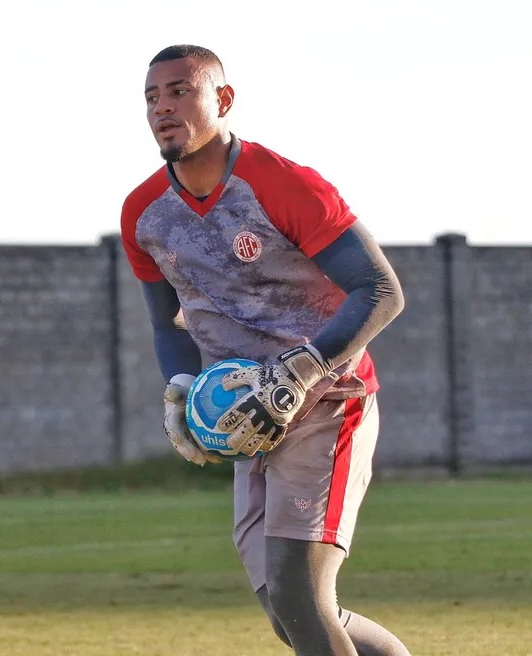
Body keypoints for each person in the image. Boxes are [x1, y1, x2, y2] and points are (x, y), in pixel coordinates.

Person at [120, 44, 411, 656]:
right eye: (151, 97)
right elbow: (166, 323)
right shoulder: (143, 212)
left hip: (330, 400)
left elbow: (381, 290)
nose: (162, 108)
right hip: (246, 416)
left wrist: (300, 372)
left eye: (179, 91)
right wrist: (178, 388)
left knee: (301, 599)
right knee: (290, 612)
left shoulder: (284, 184)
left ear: (223, 99)